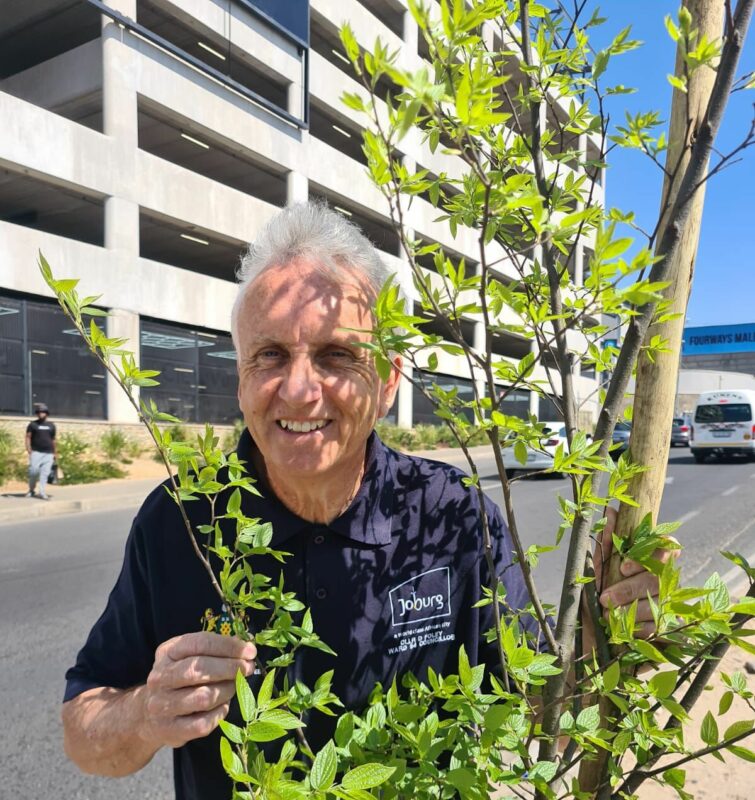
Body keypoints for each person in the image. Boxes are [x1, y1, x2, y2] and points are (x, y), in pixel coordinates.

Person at [62, 203, 666, 799]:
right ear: (241, 378)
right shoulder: (181, 519)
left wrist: (606, 639)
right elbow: (82, 730)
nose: (299, 392)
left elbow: (546, 716)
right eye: (269, 355)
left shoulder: (452, 514)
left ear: (388, 380)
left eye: (336, 356)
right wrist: (144, 713)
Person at [26, 403, 57, 500]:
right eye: (39, 412)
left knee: (45, 473)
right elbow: (28, 437)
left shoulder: (51, 425)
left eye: (43, 412)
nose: (41, 414)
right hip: (36, 452)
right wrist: (28, 449)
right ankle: (31, 490)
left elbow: (53, 439)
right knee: (33, 471)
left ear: (46, 413)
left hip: (48, 453)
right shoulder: (33, 424)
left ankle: (42, 492)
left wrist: (55, 452)